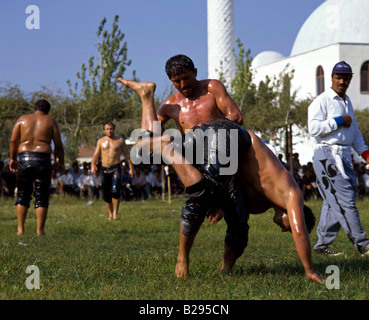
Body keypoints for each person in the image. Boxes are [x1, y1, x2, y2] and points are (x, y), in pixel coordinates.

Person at [118, 73, 323, 283]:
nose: (283, 229)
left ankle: (146, 96)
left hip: (223, 153)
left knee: (239, 225)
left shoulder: (261, 204)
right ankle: (182, 259)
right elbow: (300, 232)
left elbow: (233, 180)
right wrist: (309, 269)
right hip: (223, 138)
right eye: (286, 226)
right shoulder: (291, 194)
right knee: (200, 192)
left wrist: (219, 204)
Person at [308, 61, 369, 256]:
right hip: (327, 153)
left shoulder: (347, 102)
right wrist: (339, 121)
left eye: (345, 78)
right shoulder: (322, 101)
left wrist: (366, 154)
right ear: (332, 78)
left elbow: (355, 134)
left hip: (344, 154)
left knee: (333, 201)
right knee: (345, 200)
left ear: (350, 79)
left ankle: (321, 246)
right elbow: (314, 129)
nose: (341, 81)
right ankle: (363, 244)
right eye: (338, 77)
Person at [9, 99, 64, 235]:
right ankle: (40, 231)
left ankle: (20, 230)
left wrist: (12, 158)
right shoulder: (51, 122)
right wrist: (60, 162)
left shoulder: (22, 120)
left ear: (34, 109)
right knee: (41, 196)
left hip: (25, 158)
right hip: (42, 159)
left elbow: (13, 141)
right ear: (47, 111)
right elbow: (58, 145)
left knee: (22, 194)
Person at [91, 122, 134, 220]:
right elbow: (96, 155)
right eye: (107, 129)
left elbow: (127, 155)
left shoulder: (120, 140)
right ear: (104, 130)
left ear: (114, 129)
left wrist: (131, 168)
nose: (109, 131)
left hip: (116, 167)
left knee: (115, 190)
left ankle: (115, 213)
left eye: (111, 129)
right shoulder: (100, 141)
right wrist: (93, 165)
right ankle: (110, 213)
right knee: (106, 193)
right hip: (104, 168)